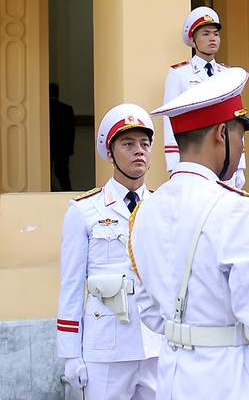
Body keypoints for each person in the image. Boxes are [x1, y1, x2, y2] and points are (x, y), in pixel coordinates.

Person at [129, 67, 249, 400]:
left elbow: (153, 311)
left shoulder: (144, 210)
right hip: (230, 382)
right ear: (220, 134)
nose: (243, 148)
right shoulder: (235, 208)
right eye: (240, 135)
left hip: (172, 381)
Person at [56, 103, 162, 399]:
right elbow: (72, 287)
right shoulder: (84, 211)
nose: (139, 150)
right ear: (111, 153)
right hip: (105, 350)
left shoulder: (162, 207)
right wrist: (70, 354)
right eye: (128, 144)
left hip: (156, 344)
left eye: (144, 143)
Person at [163, 6, 247, 188]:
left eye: (215, 34)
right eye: (206, 34)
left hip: (225, 154)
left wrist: (239, 165)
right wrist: (174, 164)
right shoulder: (180, 74)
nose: (212, 39)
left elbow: (237, 120)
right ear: (193, 41)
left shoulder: (227, 74)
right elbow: (170, 119)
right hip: (194, 156)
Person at [49, 83, 75, 191]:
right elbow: (71, 130)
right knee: (63, 173)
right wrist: (70, 148)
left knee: (46, 173)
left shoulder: (43, 109)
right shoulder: (67, 109)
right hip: (63, 147)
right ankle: (68, 193)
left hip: (48, 145)